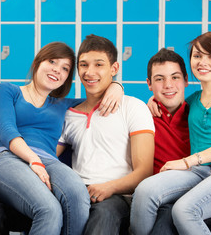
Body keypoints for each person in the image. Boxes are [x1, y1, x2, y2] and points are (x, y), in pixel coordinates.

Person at [0, 41, 124, 235]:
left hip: (47, 161)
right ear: (38, 63)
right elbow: (8, 131)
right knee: (49, 209)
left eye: (65, 68)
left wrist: (117, 85)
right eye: (52, 61)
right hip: (7, 157)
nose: (57, 70)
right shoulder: (8, 91)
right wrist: (33, 159)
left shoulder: (64, 104)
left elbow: (98, 97)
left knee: (77, 195)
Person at [130, 31, 211, 235]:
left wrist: (189, 161)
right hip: (200, 172)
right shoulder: (193, 99)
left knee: (184, 210)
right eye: (197, 56)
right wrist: (152, 101)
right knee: (144, 191)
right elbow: (168, 97)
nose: (203, 62)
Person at [56, 34, 155, 235]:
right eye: (83, 65)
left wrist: (108, 187)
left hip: (118, 197)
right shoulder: (69, 114)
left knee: (102, 216)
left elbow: (144, 171)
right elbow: (48, 157)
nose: (89, 72)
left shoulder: (133, 107)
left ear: (114, 69)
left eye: (98, 64)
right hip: (78, 194)